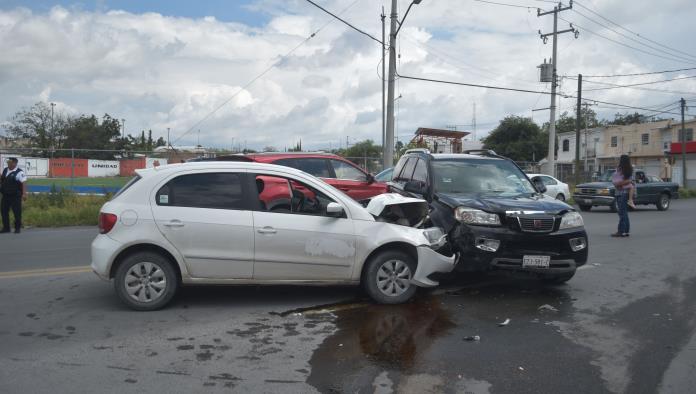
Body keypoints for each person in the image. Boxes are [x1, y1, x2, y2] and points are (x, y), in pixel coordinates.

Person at [1, 157, 28, 234]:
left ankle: (17, 228)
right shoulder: (5, 170)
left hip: (15, 196)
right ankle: (6, 228)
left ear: (14, 163)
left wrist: (24, 194)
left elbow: (24, 182)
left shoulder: (19, 172)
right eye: (8, 162)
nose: (8, 163)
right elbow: (3, 180)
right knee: (4, 211)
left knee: (17, 212)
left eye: (10, 162)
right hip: (5, 195)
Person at [611, 155, 633, 237]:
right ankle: (626, 231)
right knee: (624, 213)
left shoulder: (625, 169)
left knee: (622, 213)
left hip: (622, 193)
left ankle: (621, 231)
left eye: (620, 159)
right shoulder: (626, 169)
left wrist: (618, 183)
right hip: (622, 192)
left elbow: (629, 181)